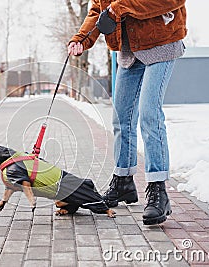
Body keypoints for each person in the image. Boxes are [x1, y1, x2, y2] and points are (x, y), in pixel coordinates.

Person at [68, 0, 187, 225]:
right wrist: (82, 38)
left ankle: (158, 189)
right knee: (121, 119)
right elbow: (98, 9)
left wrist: (118, 8)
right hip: (129, 48)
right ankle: (123, 181)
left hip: (161, 42)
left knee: (149, 113)